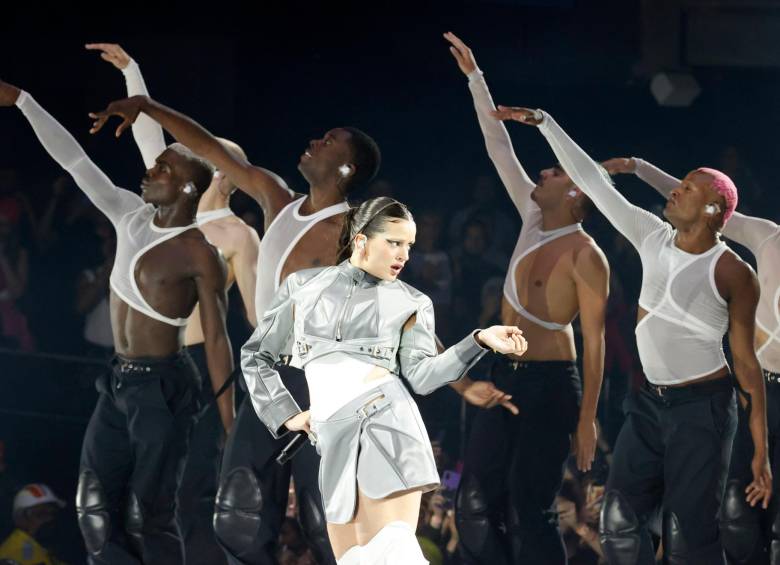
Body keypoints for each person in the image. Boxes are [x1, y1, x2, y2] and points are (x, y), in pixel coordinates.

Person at [89, 85, 520, 565]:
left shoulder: (351, 232)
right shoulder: (277, 198)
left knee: (324, 517)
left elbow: (403, 311)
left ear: (345, 168)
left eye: (329, 141)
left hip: (329, 382)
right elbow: (209, 147)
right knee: (239, 509)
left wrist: (461, 384)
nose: (315, 141)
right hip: (272, 377)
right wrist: (148, 106)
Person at [493, 102, 772, 563]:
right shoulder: (651, 234)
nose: (675, 192)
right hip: (647, 404)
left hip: (702, 410)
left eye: (686, 188)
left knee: (687, 537)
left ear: (711, 208)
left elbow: (746, 363)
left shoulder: (733, 271)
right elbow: (595, 183)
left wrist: (759, 451)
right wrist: (545, 123)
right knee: (618, 523)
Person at [0, 78, 234, 565]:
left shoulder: (200, 253)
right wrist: (25, 101)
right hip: (116, 380)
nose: (149, 171)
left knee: (147, 516)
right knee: (92, 508)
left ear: (187, 187)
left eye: (162, 169)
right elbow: (75, 161)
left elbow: (216, 338)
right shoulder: (128, 213)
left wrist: (230, 423)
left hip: (164, 388)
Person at [241, 196, 528, 564]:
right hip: (331, 438)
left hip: (386, 426)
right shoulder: (301, 286)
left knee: (393, 555)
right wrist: (286, 414)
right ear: (361, 240)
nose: (404, 255)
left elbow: (422, 377)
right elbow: (255, 355)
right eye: (394, 242)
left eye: (408, 245)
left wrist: (480, 341)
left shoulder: (412, 301)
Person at [86, 42, 260, 565]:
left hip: (193, 377)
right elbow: (148, 130)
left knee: (176, 499)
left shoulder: (233, 233)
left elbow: (252, 318)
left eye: (202, 150)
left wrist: (237, 401)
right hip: (136, 374)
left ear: (221, 171)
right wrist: (133, 73)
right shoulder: (167, 211)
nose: (180, 151)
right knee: (109, 502)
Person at [444, 32, 610, 565]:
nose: (541, 171)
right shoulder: (534, 218)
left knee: (528, 500)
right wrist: (476, 78)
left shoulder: (587, 254)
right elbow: (499, 146)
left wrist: (588, 419)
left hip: (550, 385)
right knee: (472, 500)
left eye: (555, 171)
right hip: (503, 374)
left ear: (577, 191)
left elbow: (595, 341)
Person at [605, 155, 780, 564]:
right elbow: (709, 203)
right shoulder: (768, 237)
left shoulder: (734, 269)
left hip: (717, 397)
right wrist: (639, 168)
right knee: (733, 513)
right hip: (750, 389)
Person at [0, 484, 68, 565]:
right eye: (41, 514)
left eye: (53, 513)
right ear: (21, 519)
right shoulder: (11, 556)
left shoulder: (47, 550)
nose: (49, 519)